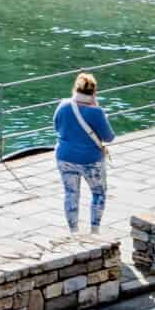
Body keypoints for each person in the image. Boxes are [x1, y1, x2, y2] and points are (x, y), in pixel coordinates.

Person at [53, 73, 115, 232]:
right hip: (91, 159)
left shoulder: (63, 105)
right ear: (94, 92)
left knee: (71, 193)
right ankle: (94, 230)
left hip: (65, 157)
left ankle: (74, 231)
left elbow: (57, 127)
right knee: (98, 193)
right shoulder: (97, 112)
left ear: (75, 88)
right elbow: (109, 137)